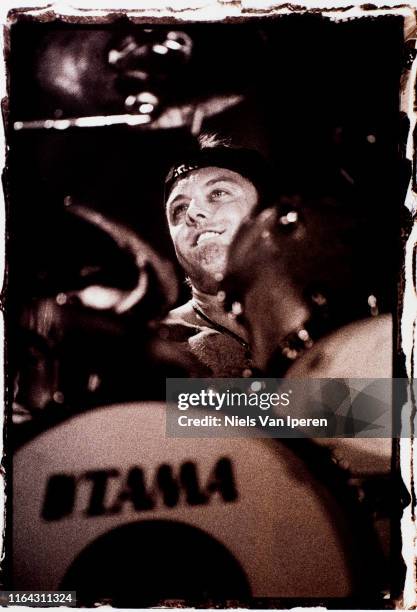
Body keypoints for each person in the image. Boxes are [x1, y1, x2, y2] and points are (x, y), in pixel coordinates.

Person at [159, 135, 274, 376]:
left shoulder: (338, 325)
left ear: (268, 214)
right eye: (178, 209)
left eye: (218, 193)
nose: (193, 212)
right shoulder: (158, 349)